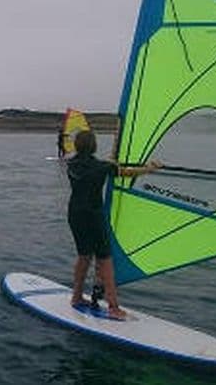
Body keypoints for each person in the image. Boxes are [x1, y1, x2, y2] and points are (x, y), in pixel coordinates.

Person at [66, 130, 161, 320]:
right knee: (105, 259)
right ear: (94, 146)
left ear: (77, 146)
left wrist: (112, 157)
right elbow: (124, 172)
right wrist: (148, 168)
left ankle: (76, 297)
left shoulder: (72, 164)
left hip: (75, 214)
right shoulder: (101, 167)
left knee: (84, 255)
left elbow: (105, 166)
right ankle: (113, 307)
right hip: (93, 216)